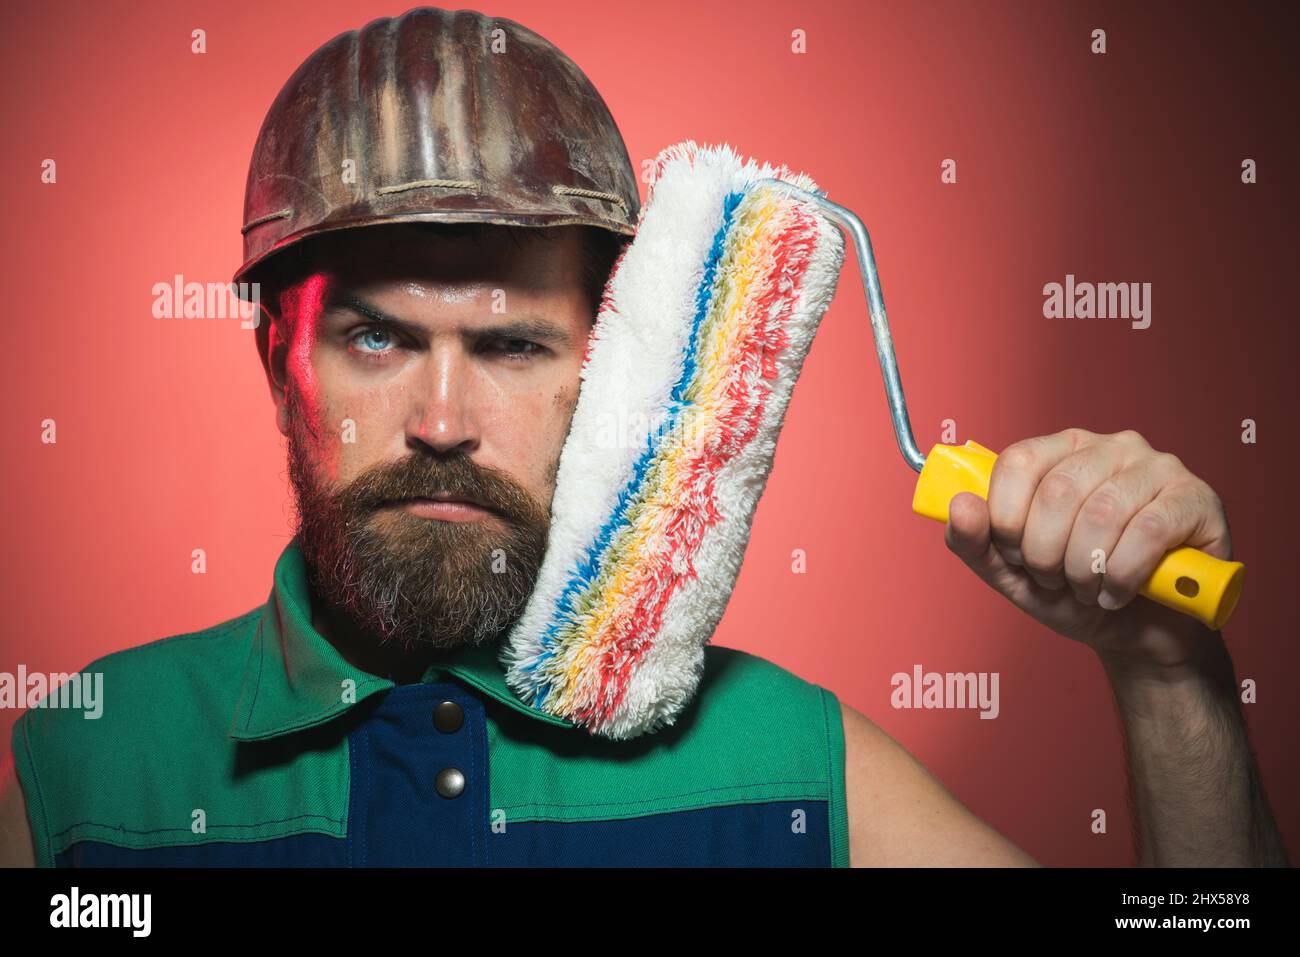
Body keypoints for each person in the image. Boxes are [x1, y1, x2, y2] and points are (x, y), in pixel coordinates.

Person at [0, 6, 1288, 867]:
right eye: (377, 340)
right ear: (277, 358)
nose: (441, 425)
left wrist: (1165, 673)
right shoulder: (87, 773)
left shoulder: (790, 767)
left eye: (513, 347)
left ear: (616, 365)